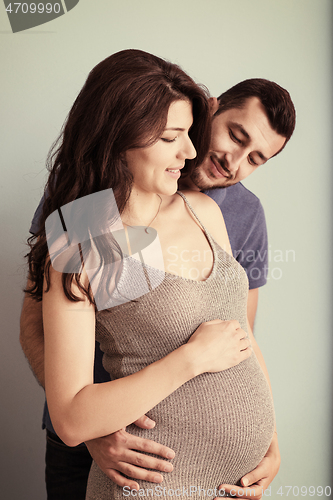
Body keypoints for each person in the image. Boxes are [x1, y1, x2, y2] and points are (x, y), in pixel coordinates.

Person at [20, 59, 295, 499]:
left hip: (228, 487)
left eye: (257, 158)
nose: (190, 152)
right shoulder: (88, 231)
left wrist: (270, 441)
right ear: (121, 136)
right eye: (171, 137)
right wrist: (189, 360)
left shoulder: (204, 209)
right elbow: (73, 403)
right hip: (147, 478)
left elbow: (239, 334)